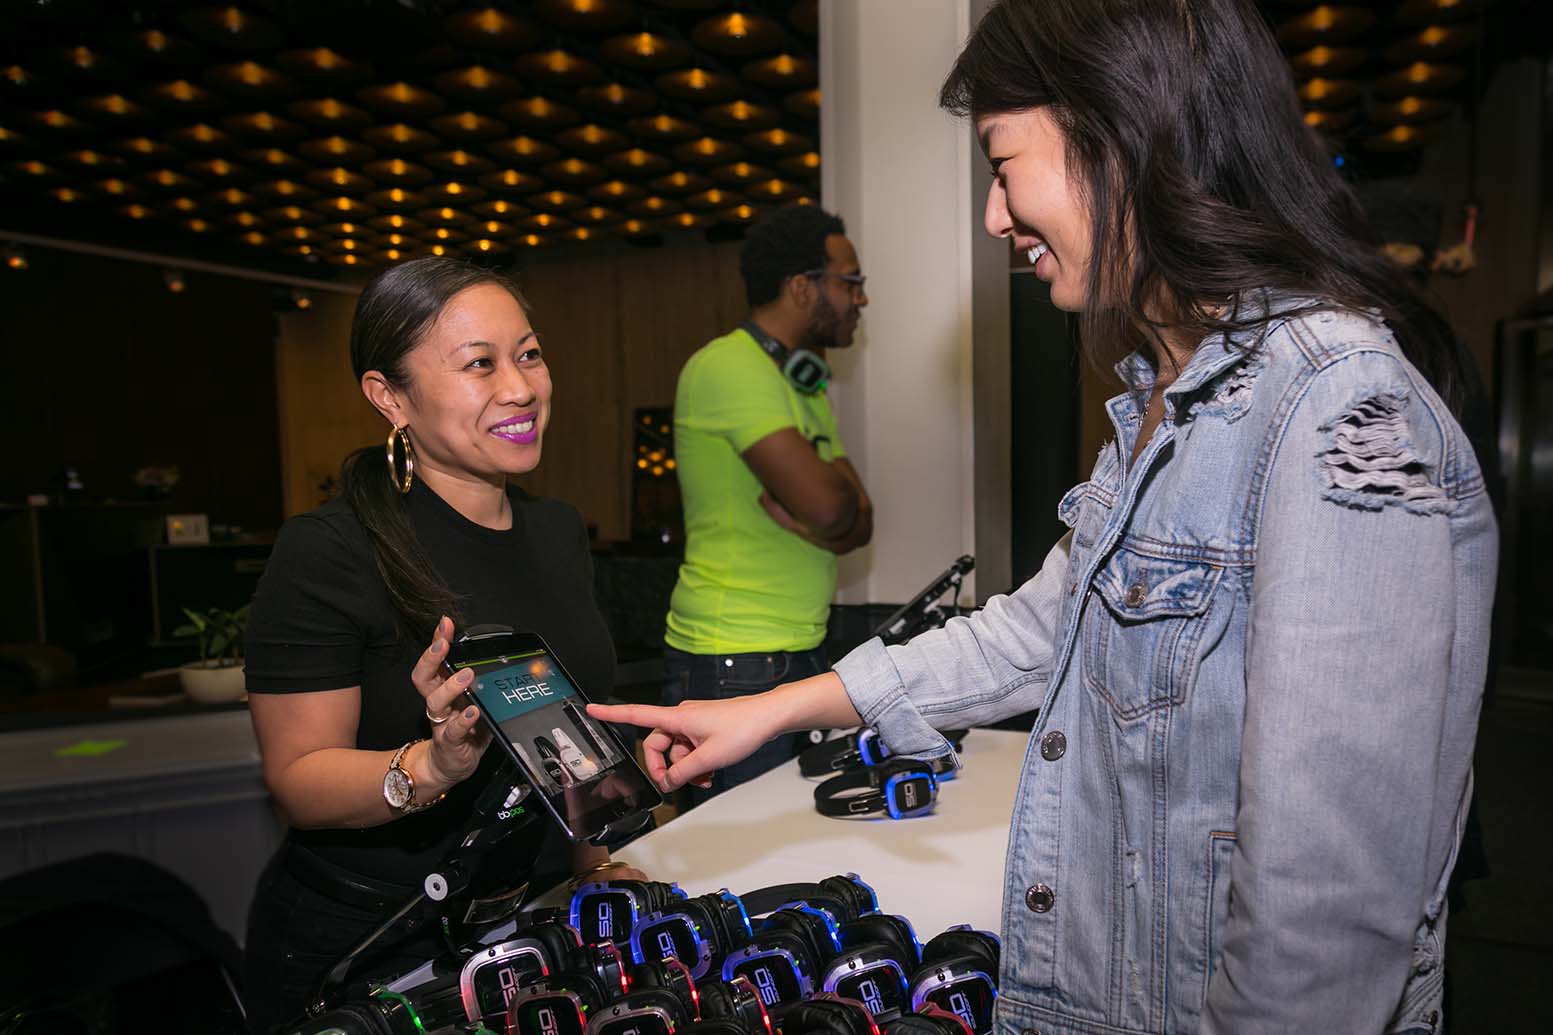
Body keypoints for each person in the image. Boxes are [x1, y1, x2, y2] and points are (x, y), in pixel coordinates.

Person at [592, 1, 1498, 1033]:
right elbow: (1036, 628)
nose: (991, 216)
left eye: (999, 161)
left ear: (1119, 142)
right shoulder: (1167, 394)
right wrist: (773, 708)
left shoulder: (1334, 409)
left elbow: (1323, 920)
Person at [243, 258, 641, 1034]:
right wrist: (429, 765)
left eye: (528, 354)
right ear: (389, 397)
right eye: (479, 364)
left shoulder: (557, 530)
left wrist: (596, 859)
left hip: (523, 929)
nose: (522, 387)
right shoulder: (330, 549)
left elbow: (565, 726)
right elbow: (297, 776)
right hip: (366, 951)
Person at [661, 204, 874, 801]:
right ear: (802, 287)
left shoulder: (802, 382)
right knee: (736, 869)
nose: (861, 299)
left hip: (788, 650)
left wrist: (826, 518)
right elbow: (837, 510)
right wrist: (829, 517)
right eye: (850, 282)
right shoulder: (730, 368)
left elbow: (860, 522)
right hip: (735, 659)